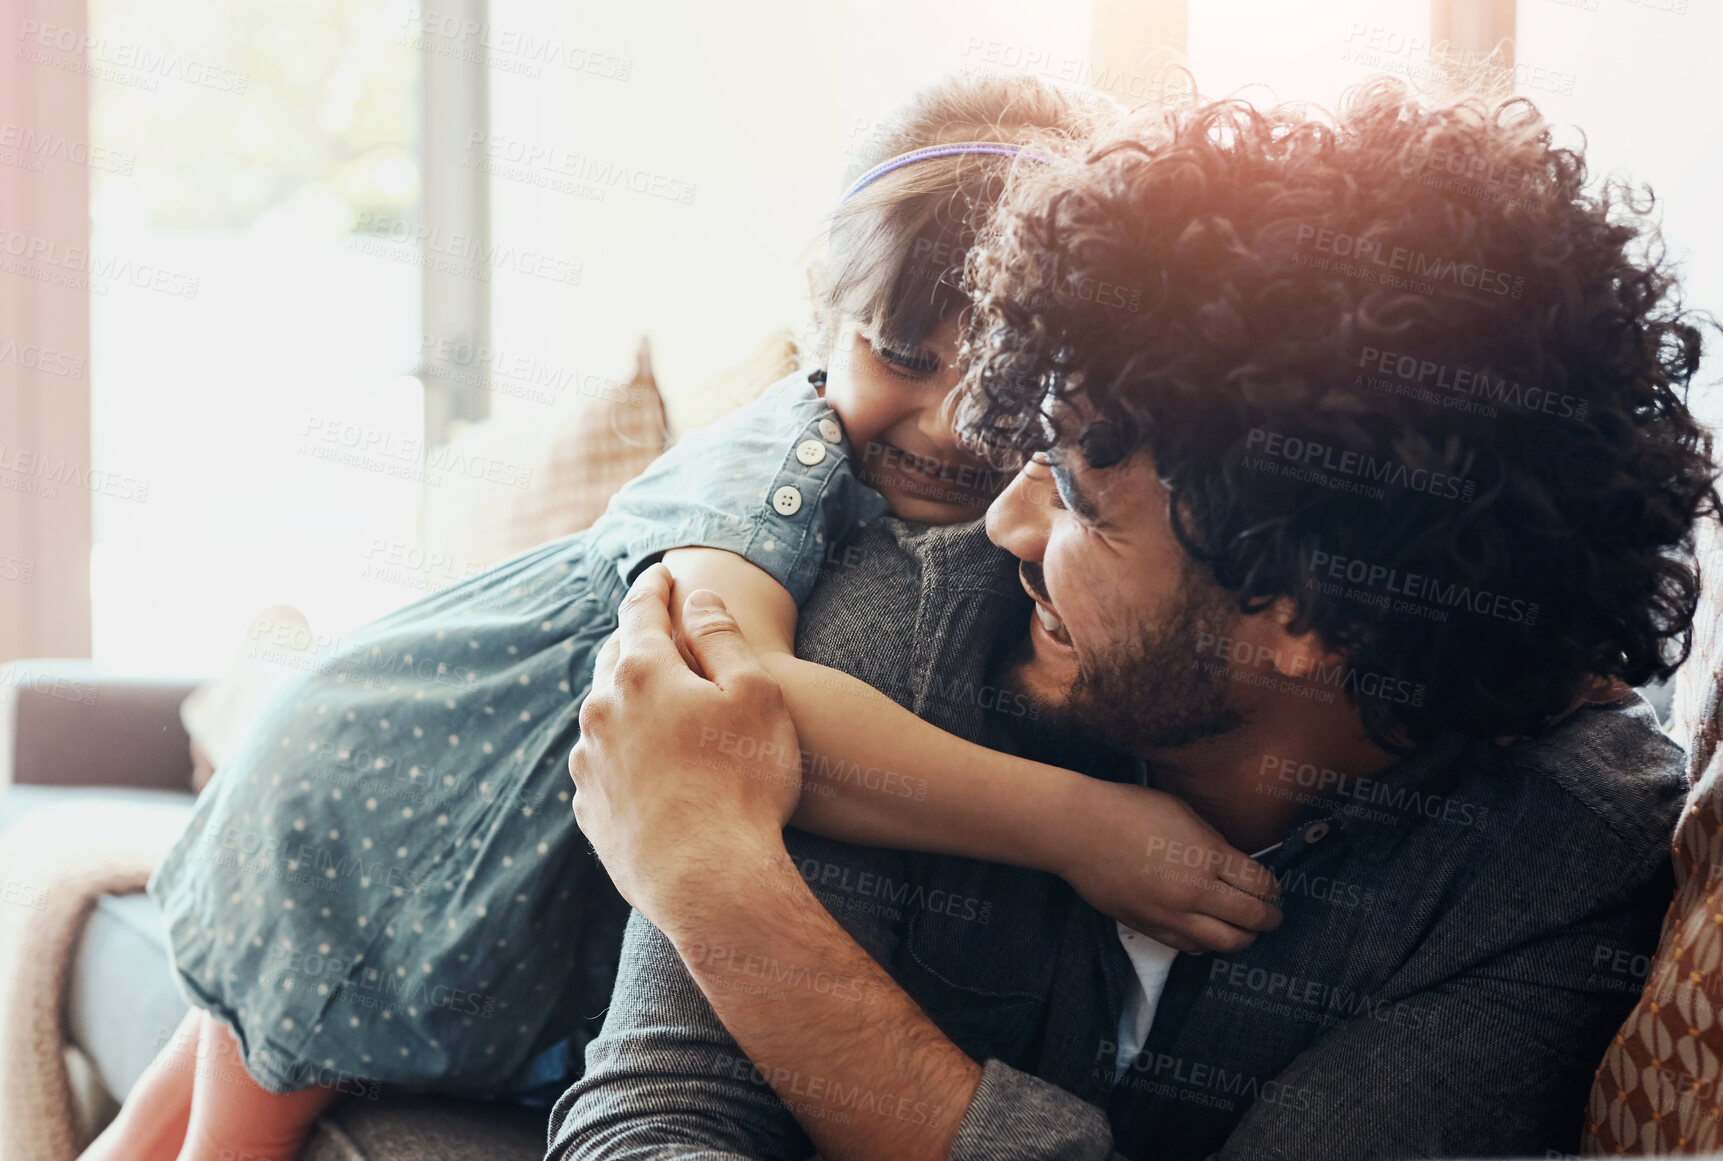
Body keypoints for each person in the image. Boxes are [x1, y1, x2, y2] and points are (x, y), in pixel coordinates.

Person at [81, 75, 1284, 1161]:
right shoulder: (776, 455)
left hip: (429, 800)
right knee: (240, 1127)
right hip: (395, 809)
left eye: (1000, 388)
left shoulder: (1013, 529)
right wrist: (1080, 824)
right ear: (823, 317)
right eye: (902, 355)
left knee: (169, 1106)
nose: (952, 426)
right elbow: (731, 713)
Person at [555, 79, 1717, 1159]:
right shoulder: (915, 617)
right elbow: (652, 1119)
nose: (1001, 524)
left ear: (1312, 616)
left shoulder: (1553, 872)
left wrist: (716, 880)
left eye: (1075, 501)